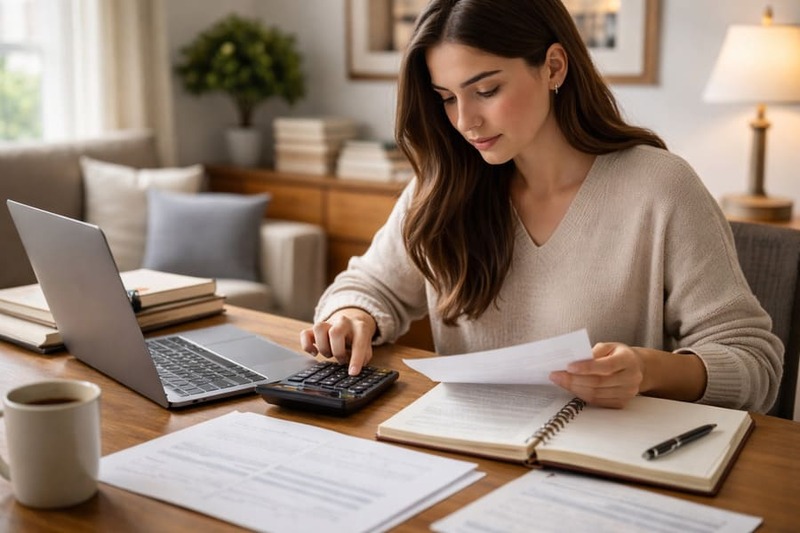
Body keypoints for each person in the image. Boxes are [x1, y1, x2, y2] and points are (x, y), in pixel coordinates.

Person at [300, 0, 783, 412]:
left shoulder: (661, 188)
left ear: (554, 66)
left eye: (486, 90)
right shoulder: (445, 184)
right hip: (464, 453)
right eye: (446, 98)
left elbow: (754, 364)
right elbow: (367, 285)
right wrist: (353, 317)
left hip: (603, 467)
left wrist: (649, 370)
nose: (465, 121)